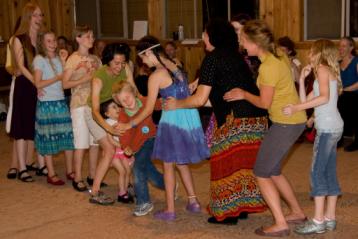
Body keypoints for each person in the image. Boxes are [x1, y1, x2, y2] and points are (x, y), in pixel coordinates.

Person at [166, 19, 268, 225]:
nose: (203, 37)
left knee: (225, 164)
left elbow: (201, 99)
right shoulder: (236, 57)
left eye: (204, 33)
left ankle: (228, 214)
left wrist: (177, 104)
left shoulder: (213, 59)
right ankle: (241, 209)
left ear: (213, 36)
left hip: (236, 120)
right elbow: (218, 95)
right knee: (244, 167)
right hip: (256, 120)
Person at [223, 20, 307, 236]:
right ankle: (297, 212)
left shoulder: (269, 66)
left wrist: (243, 93)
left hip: (286, 123)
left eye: (243, 41)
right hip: (293, 120)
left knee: (261, 172)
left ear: (254, 43)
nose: (241, 45)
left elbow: (264, 103)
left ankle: (280, 223)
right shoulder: (278, 53)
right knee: (274, 171)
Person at [119, 36, 209, 221]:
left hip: (172, 121)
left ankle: (170, 210)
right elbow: (184, 89)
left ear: (149, 52)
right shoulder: (176, 64)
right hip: (187, 117)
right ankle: (193, 202)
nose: (143, 62)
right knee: (182, 162)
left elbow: (148, 109)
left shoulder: (156, 76)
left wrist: (130, 123)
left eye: (142, 57)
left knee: (168, 165)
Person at [283, 39, 343, 235]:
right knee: (328, 172)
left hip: (327, 129)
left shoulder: (324, 70)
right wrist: (302, 80)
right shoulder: (323, 73)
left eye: (311, 51)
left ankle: (318, 221)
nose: (308, 54)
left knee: (317, 173)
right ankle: (330, 218)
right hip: (333, 127)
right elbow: (305, 101)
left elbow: (323, 98)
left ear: (319, 53)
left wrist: (296, 108)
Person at [88, 42, 135, 204]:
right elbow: (94, 110)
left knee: (131, 142)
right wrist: (109, 128)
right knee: (109, 149)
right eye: (116, 63)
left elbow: (133, 91)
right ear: (108, 60)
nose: (120, 67)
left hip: (116, 110)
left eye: (123, 63)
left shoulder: (125, 68)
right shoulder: (99, 77)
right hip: (96, 114)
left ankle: (127, 183)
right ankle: (94, 192)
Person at [112, 81, 166, 216]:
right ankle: (168, 185)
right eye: (123, 101)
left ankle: (143, 202)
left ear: (134, 93)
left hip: (153, 139)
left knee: (137, 168)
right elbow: (124, 136)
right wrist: (126, 147)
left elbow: (160, 103)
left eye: (128, 97)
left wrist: (167, 100)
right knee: (147, 170)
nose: (127, 101)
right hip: (138, 147)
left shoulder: (146, 101)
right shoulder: (123, 116)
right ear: (119, 103)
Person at [8, 3, 47, 182]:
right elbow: (21, 66)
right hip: (25, 85)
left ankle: (39, 163)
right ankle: (22, 168)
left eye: (41, 15)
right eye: (36, 15)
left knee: (38, 125)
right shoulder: (18, 39)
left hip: (39, 84)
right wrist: (36, 83)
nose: (39, 19)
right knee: (22, 127)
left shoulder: (41, 38)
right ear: (28, 17)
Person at [62, 25, 102, 192]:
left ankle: (92, 176)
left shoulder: (95, 59)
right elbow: (65, 84)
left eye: (92, 36)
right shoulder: (73, 59)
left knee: (95, 142)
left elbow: (101, 79)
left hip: (94, 104)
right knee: (81, 142)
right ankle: (77, 177)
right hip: (79, 104)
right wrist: (84, 78)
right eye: (87, 36)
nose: (91, 39)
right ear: (78, 38)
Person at [33, 31, 75, 185]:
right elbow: (38, 83)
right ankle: (51, 173)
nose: (52, 43)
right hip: (46, 104)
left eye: (54, 40)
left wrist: (64, 61)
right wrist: (57, 78)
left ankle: (70, 170)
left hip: (60, 101)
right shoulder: (39, 59)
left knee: (68, 137)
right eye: (48, 41)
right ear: (42, 43)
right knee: (48, 138)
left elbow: (67, 77)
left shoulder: (59, 58)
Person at [99, 99, 135, 203]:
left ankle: (127, 188)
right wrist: (123, 146)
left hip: (122, 150)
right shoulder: (109, 124)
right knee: (122, 171)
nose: (118, 109)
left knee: (128, 170)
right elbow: (110, 140)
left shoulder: (121, 120)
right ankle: (122, 193)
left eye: (117, 106)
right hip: (115, 151)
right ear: (107, 113)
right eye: (113, 107)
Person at [337, 37, 358, 152]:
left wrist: (346, 89)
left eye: (344, 46)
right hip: (342, 94)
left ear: (351, 48)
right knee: (338, 114)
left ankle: (356, 142)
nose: (341, 48)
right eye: (340, 46)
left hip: (355, 94)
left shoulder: (356, 61)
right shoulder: (338, 63)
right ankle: (339, 140)